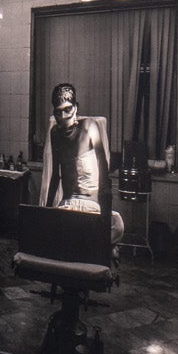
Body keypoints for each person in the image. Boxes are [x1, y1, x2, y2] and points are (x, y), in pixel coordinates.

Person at [40, 80, 125, 251]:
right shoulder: (55, 133)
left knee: (118, 225)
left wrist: (105, 213)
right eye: (58, 113)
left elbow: (104, 170)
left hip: (92, 206)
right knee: (50, 231)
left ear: (76, 107)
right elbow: (56, 176)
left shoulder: (90, 128)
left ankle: (92, 243)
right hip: (68, 205)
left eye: (67, 110)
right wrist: (47, 212)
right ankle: (92, 243)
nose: (63, 118)